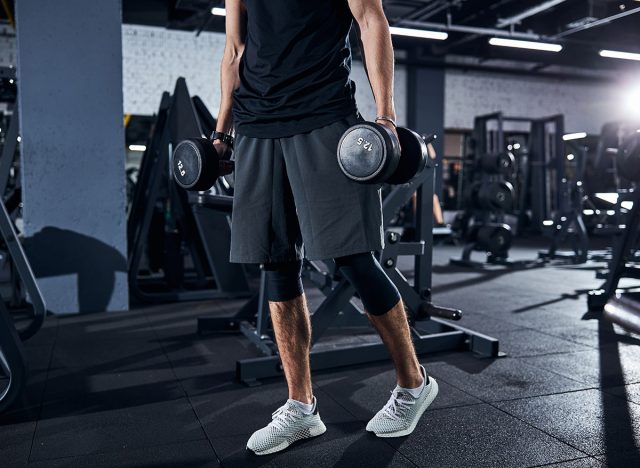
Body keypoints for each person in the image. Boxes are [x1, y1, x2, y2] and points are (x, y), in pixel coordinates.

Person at [213, 0, 438, 455]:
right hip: (256, 126)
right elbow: (234, 48)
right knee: (275, 263)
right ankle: (301, 407)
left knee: (353, 257)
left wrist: (386, 116)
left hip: (322, 115)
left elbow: (371, 19)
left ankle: (414, 383)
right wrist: (221, 132)